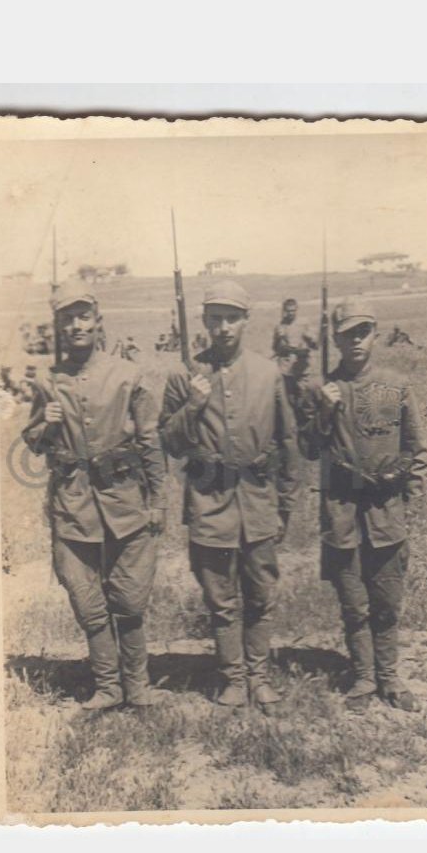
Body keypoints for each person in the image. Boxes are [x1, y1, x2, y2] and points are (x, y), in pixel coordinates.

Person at [23, 283, 168, 710]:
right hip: (73, 505)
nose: (77, 325)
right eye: (68, 319)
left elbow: (150, 441)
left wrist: (158, 501)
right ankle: (108, 687)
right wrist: (46, 423)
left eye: (83, 316)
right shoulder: (49, 382)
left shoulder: (127, 375)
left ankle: (137, 687)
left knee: (129, 599)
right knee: (85, 598)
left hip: (125, 501)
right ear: (58, 327)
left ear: (98, 321)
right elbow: (33, 441)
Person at [159, 280, 300, 707]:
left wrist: (285, 504)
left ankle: (259, 675)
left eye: (232, 319)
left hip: (257, 500)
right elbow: (169, 442)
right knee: (220, 598)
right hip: (209, 502)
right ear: (204, 321)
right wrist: (192, 406)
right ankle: (233, 678)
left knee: (261, 593)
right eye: (215, 319)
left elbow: (288, 442)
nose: (223, 328)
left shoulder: (268, 373)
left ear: (246, 321)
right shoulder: (185, 376)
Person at [297, 297, 427, 712]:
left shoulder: (397, 385)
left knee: (386, 601)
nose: (355, 340)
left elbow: (417, 448)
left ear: (375, 334)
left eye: (363, 331)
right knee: (354, 602)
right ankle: (364, 677)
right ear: (335, 339)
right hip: (342, 510)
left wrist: (410, 500)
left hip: (386, 509)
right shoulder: (320, 389)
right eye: (347, 333)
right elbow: (307, 448)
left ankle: (389, 676)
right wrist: (324, 411)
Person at [271, 297, 317, 407]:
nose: (291, 313)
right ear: (284, 311)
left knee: (304, 399)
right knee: (288, 400)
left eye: (293, 310)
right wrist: (279, 339)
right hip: (286, 369)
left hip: (302, 367)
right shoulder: (280, 326)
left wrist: (310, 339)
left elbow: (315, 345)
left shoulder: (304, 324)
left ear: (297, 310)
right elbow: (275, 348)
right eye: (288, 311)